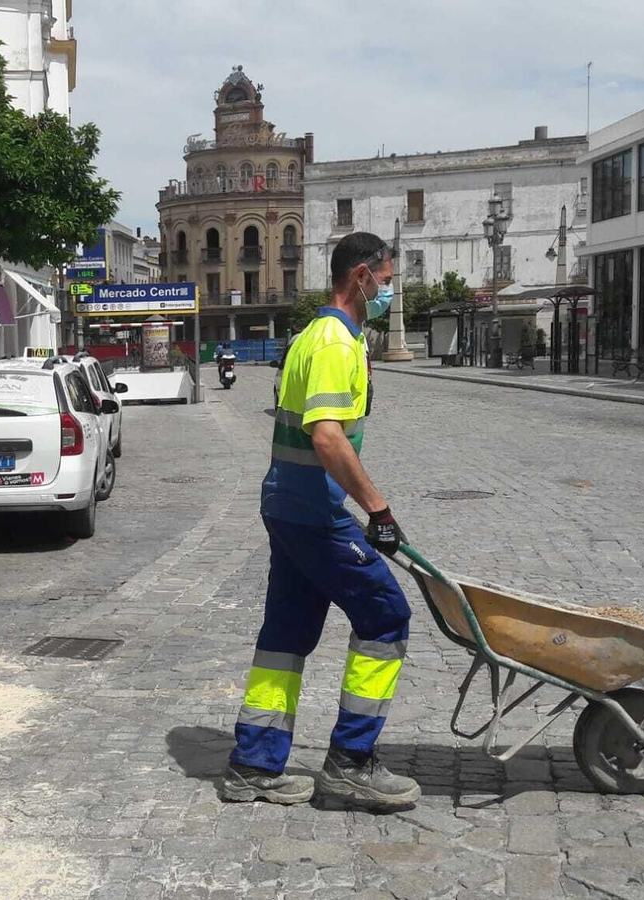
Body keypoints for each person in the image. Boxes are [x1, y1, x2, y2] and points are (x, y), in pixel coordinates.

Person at [222, 231, 419, 809]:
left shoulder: (316, 334)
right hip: (311, 511)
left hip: (289, 505)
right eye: (385, 281)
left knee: (286, 635)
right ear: (360, 277)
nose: (387, 292)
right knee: (386, 615)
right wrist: (377, 509)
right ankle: (351, 761)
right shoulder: (333, 340)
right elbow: (328, 437)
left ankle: (253, 765)